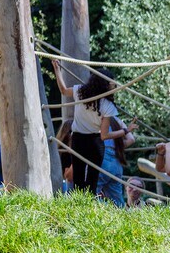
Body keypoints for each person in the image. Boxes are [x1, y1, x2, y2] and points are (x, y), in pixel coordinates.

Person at [53, 62, 130, 199]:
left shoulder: (79, 91)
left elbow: (63, 90)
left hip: (77, 139)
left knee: (78, 176)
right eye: (111, 83)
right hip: (95, 141)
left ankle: (78, 205)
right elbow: (105, 135)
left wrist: (57, 70)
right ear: (105, 85)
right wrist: (125, 131)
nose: (114, 86)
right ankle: (88, 205)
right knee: (92, 179)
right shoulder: (108, 105)